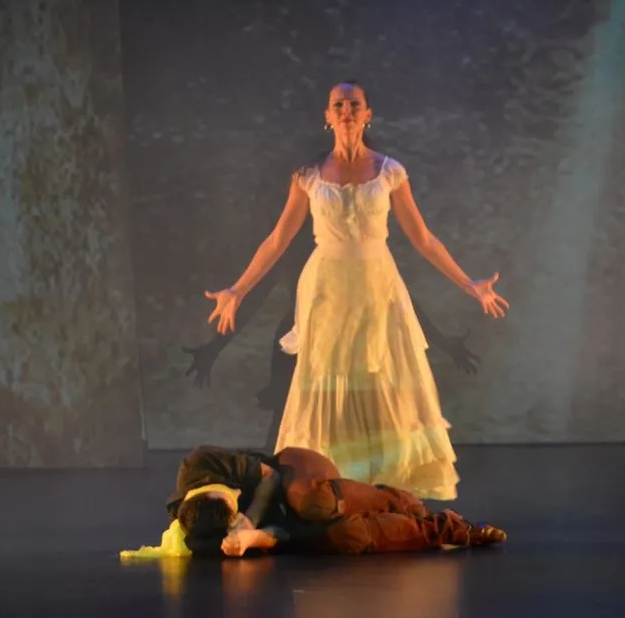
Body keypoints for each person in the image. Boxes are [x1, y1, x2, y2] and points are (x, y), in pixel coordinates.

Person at [203, 81, 510, 501]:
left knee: (381, 375)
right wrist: (238, 290)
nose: (346, 111)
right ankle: (326, 483)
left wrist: (470, 284)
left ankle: (384, 484)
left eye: (354, 104)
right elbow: (277, 239)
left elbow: (423, 239)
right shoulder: (308, 176)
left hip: (376, 285)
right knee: (328, 380)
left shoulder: (390, 172)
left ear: (367, 114)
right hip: (327, 288)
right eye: (338, 105)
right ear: (327, 117)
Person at [118, 444, 507, 560]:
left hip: (292, 471)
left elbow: (269, 478)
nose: (235, 493)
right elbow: (281, 538)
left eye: (230, 494)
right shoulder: (201, 534)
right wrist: (253, 538)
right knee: (347, 538)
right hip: (287, 520)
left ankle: (396, 499)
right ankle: (448, 529)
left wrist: (249, 518)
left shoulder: (201, 463)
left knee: (312, 503)